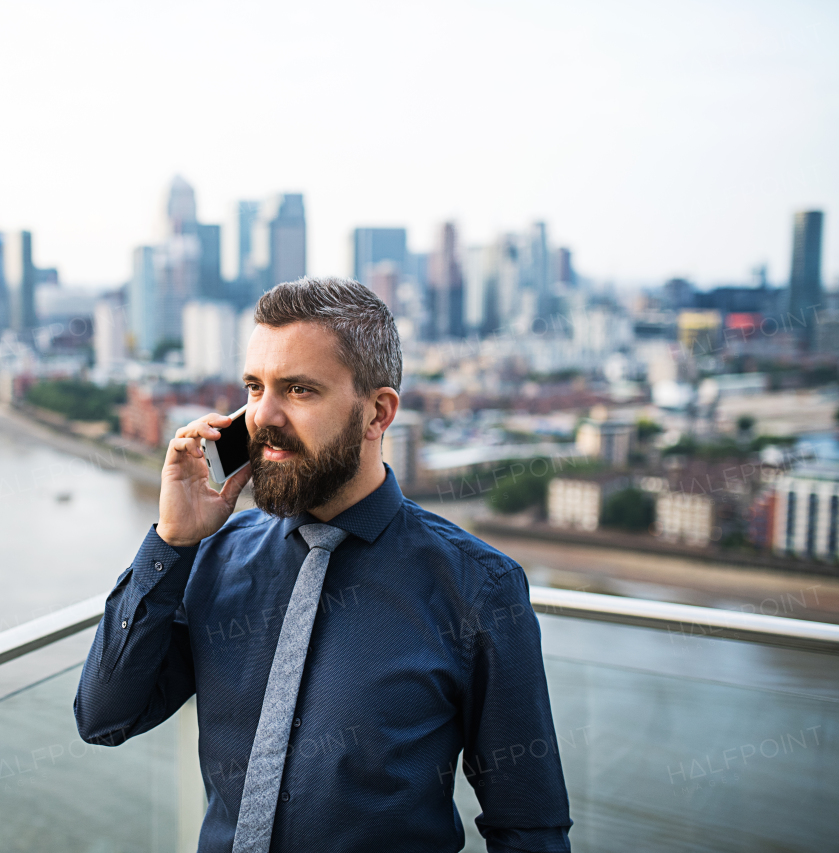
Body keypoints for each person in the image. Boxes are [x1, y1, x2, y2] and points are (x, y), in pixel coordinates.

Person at [74, 277, 572, 852]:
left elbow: (529, 826)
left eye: (299, 390)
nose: (263, 416)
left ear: (378, 413)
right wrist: (172, 543)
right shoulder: (214, 556)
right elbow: (104, 718)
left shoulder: (477, 587)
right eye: (254, 387)